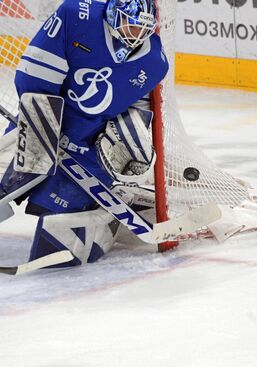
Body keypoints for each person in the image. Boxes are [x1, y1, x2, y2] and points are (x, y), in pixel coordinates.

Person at [0, 0, 168, 266]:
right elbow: (33, 75)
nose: (134, 34)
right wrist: (46, 129)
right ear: (113, 14)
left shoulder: (154, 62)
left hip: (87, 148)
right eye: (130, 24)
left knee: (58, 230)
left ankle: (100, 219)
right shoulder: (76, 15)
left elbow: (137, 111)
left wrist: (125, 140)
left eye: (141, 29)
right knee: (3, 185)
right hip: (39, 124)